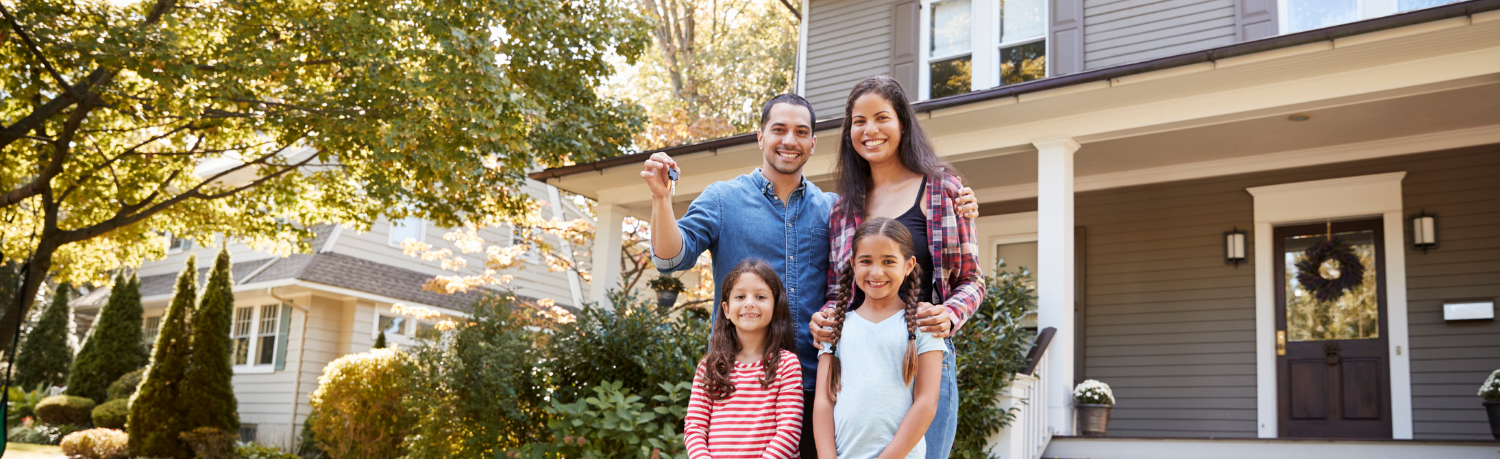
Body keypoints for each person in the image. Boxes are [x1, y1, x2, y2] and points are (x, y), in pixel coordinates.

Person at [642, 93, 977, 457]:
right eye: (779, 130)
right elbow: (670, 259)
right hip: (748, 386)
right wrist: (661, 201)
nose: (789, 140)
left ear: (813, 144)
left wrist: (958, 203)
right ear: (760, 136)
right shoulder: (723, 199)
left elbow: (882, 252)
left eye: (801, 132)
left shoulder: (834, 209)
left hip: (822, 384)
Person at [810, 75, 984, 459]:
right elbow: (838, 293)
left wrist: (948, 315)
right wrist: (824, 318)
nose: (870, 130)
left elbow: (972, 279)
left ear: (902, 123)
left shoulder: (944, 191)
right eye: (859, 121)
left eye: (881, 118)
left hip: (921, 354)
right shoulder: (843, 209)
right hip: (859, 362)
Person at [814, 218, 945, 459]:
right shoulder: (836, 326)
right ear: (853, 264)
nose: (876, 272)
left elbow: (926, 403)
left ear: (908, 265)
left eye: (888, 261)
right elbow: (824, 400)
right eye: (866, 261)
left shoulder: (923, 325)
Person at [684, 259, 804, 459]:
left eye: (760, 296)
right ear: (726, 309)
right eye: (740, 296)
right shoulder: (709, 367)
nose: (749, 303)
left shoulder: (787, 365)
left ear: (775, 306)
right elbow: (694, 427)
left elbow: (789, 431)